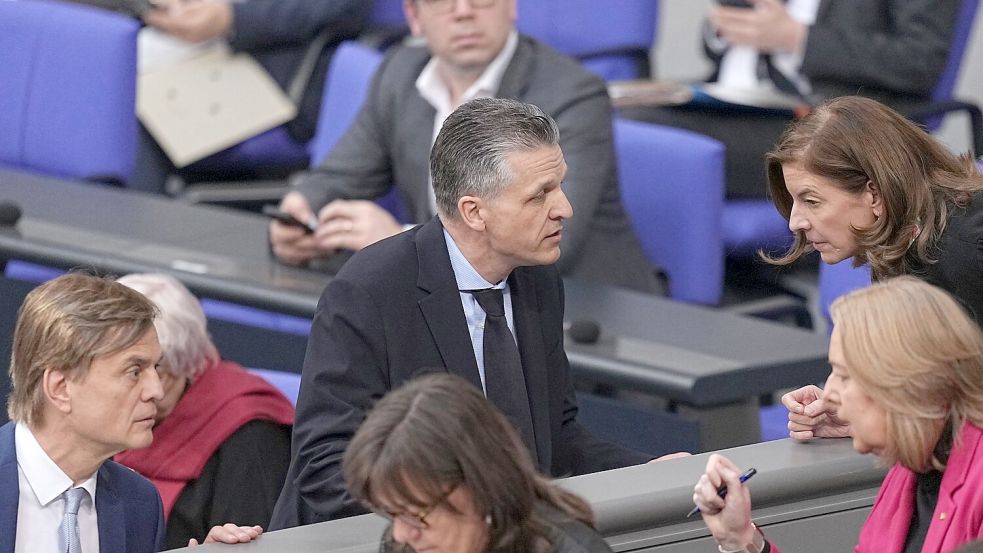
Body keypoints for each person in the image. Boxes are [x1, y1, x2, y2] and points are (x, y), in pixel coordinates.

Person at [270, 97, 663, 530]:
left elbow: (555, 440)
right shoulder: (369, 292)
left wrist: (655, 469)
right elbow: (326, 466)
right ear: (474, 212)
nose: (564, 209)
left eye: (560, 186)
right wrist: (451, 517)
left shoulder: (537, 279)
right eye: (540, 195)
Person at [269, 0, 662, 293]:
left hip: (573, 307)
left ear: (511, 6)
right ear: (414, 16)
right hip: (453, 299)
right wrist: (301, 210)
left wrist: (399, 242)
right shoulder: (399, 73)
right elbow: (340, 175)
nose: (463, 12)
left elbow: (543, 233)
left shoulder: (570, 95)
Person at [694, 277, 983, 553]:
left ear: (906, 383)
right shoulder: (908, 471)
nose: (829, 393)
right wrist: (740, 538)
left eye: (844, 376)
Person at [769, 96, 983, 437]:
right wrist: (858, 414)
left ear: (874, 194)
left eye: (811, 201)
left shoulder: (965, 253)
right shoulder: (907, 237)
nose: (795, 222)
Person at [1, 273, 261, 552]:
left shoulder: (139, 503)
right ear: (61, 387)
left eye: (156, 368)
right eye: (134, 371)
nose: (156, 391)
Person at [624, 0, 959, 198]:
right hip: (731, 104)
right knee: (613, 114)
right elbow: (719, 40)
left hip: (829, 127)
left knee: (633, 138)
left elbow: (919, 61)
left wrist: (796, 37)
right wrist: (726, 26)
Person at [112, 273, 295, 549]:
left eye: (155, 369)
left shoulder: (251, 434)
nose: (149, 389)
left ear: (184, 362)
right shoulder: (105, 414)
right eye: (130, 372)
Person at [344, 373, 614, 553]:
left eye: (416, 516)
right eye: (393, 515)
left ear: (480, 486)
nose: (402, 535)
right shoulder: (402, 547)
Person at [130, 0, 370, 194]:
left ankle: (130, 236)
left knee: (132, 110)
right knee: (110, 80)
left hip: (274, 71)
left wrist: (232, 17)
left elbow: (342, 7)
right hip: (176, 47)